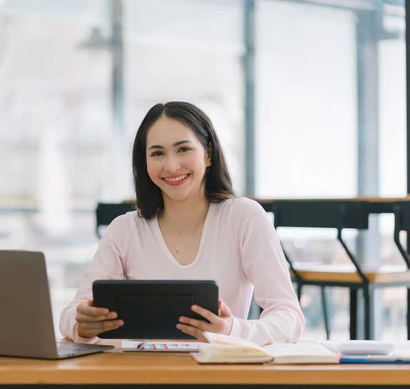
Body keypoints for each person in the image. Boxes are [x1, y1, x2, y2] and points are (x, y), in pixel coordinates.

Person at [59, 101, 304, 346]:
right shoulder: (124, 229)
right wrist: (82, 324)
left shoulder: (243, 217)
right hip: (141, 375)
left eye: (183, 149)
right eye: (157, 153)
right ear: (144, 163)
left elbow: (289, 316)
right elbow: (71, 314)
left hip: (220, 373)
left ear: (208, 153)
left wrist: (231, 330)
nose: (172, 166)